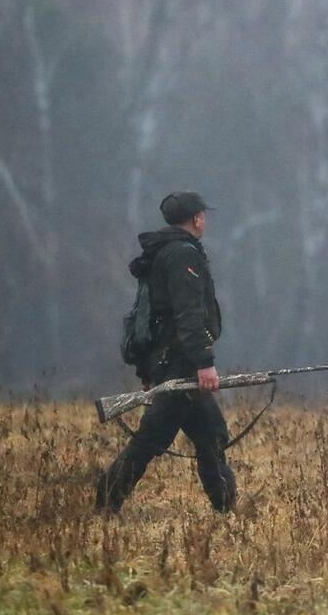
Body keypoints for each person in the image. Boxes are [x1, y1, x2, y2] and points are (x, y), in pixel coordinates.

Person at [95, 191, 235, 513]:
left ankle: (227, 509)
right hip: (181, 364)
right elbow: (188, 315)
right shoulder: (184, 256)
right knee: (149, 441)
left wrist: (147, 369)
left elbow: (150, 317)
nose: (205, 220)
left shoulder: (162, 253)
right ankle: (106, 501)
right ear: (197, 219)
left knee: (212, 435)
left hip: (167, 361)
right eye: (204, 215)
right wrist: (204, 363)